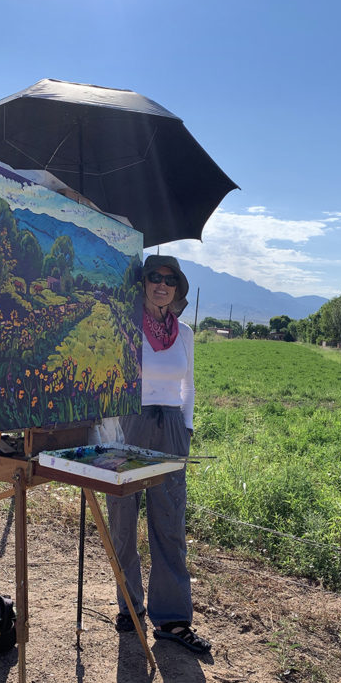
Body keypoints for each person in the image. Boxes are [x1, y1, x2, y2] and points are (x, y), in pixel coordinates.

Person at [106, 254, 211, 654]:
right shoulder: (125, 326)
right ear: (144, 283)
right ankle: (128, 606)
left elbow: (189, 388)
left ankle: (172, 619)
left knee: (169, 523)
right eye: (155, 277)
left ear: (177, 288)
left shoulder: (184, 334)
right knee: (123, 520)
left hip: (169, 428)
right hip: (128, 423)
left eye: (170, 279)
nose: (162, 284)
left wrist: (184, 430)